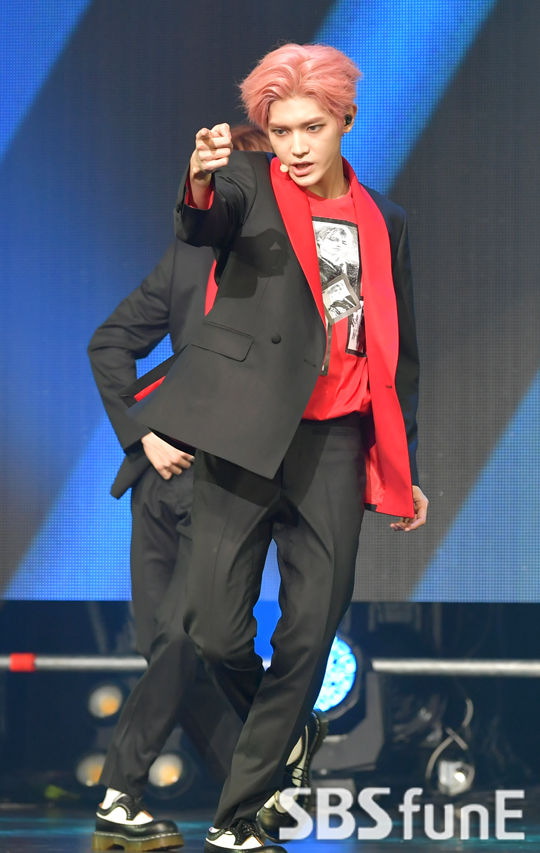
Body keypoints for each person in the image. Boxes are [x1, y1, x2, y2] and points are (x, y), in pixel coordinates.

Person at [130, 42, 429, 853]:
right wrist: (200, 178)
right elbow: (203, 220)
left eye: (311, 128)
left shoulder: (387, 220)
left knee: (310, 632)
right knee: (212, 630)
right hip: (242, 437)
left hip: (335, 444)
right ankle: (288, 731)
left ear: (346, 122)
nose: (295, 146)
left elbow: (398, 351)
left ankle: (240, 815)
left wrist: (401, 462)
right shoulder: (250, 186)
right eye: (282, 129)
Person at [89, 128, 285, 853]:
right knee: (162, 646)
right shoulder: (188, 257)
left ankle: (119, 793)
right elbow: (110, 342)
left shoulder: (284, 268)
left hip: (223, 483)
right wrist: (143, 432)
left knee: (183, 635)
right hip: (156, 478)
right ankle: (255, 789)